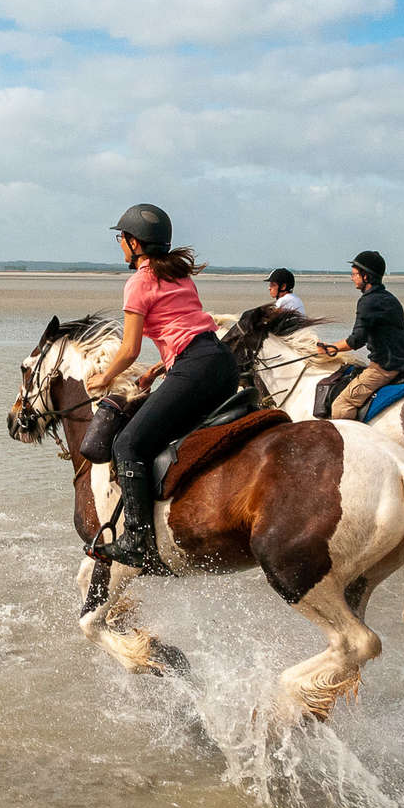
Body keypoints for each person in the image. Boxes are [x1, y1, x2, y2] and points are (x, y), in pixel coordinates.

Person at [86, 204, 240, 570]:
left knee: (127, 443)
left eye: (120, 238)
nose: (119, 245)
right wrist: (158, 368)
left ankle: (137, 540)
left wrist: (104, 377)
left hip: (195, 368)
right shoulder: (178, 274)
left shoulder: (138, 282)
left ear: (134, 243)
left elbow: (128, 349)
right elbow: (188, 329)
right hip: (220, 362)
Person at [318, 250, 404, 421]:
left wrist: (330, 349)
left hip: (384, 368)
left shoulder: (368, 301)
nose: (352, 278)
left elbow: (356, 340)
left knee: (342, 405)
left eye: (354, 274)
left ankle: (350, 446)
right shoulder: (388, 298)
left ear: (366, 277)